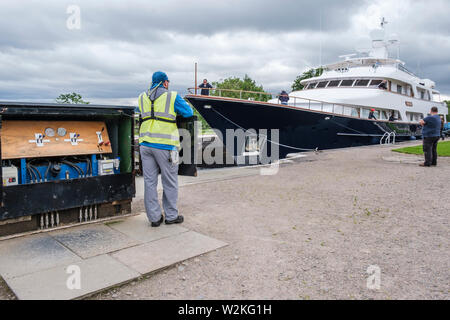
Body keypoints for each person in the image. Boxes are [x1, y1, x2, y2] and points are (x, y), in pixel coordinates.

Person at [138, 71, 194, 227]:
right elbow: (189, 112)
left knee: (149, 182)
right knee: (170, 181)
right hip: (166, 146)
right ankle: (171, 216)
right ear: (164, 82)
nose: (168, 84)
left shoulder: (142, 97)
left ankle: (154, 218)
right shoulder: (172, 96)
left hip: (145, 145)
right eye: (167, 81)